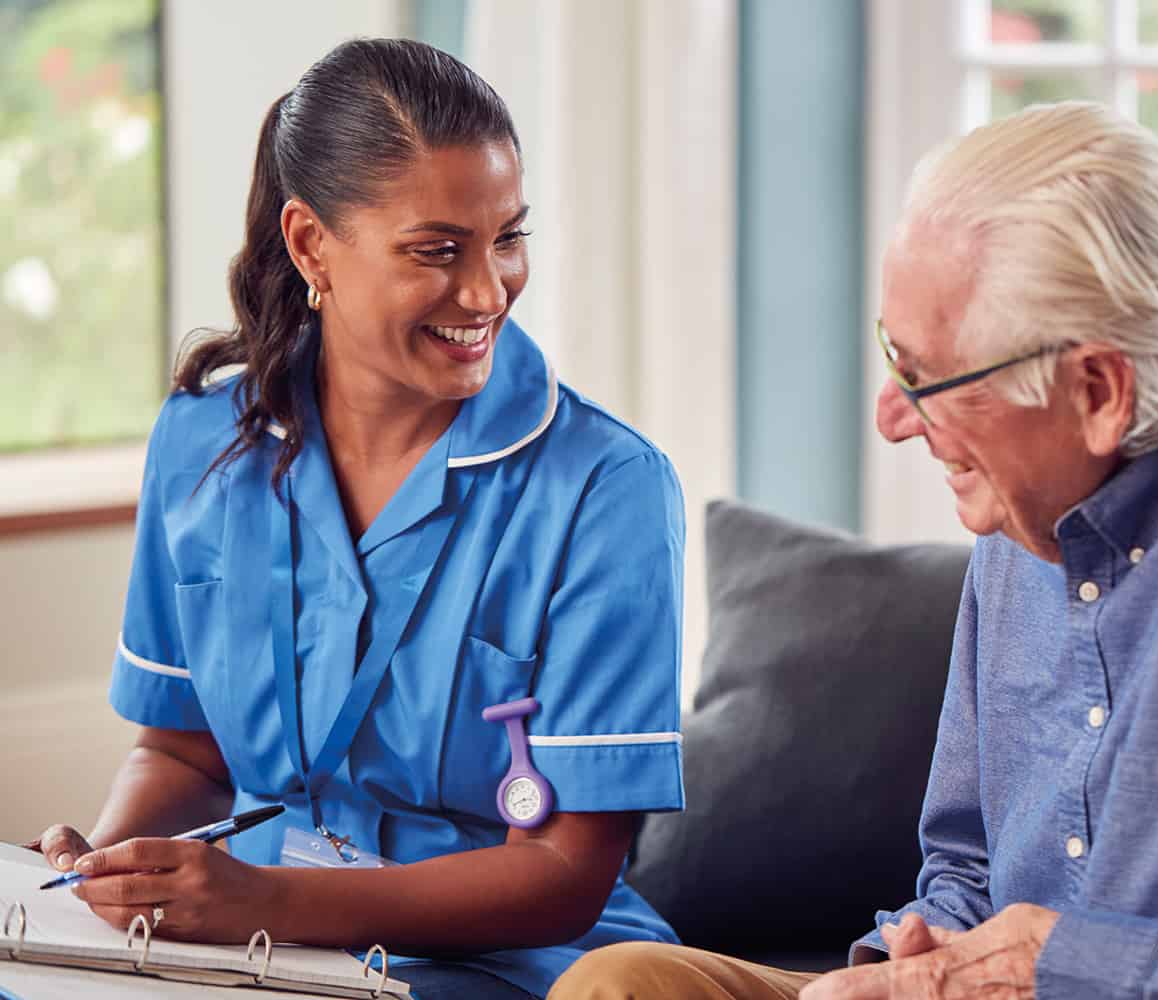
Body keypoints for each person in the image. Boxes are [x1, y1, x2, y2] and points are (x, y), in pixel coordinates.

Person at [548, 101, 1158, 999]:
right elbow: (964, 865)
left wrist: (1067, 968)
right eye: (893, 355)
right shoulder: (1022, 521)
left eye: (927, 377)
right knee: (624, 982)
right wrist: (909, 962)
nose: (891, 418)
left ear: (1097, 392)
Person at [24, 38, 687, 1000]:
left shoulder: (608, 488)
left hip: (497, 968)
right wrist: (122, 868)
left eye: (507, 238)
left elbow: (562, 875)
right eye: (437, 250)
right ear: (310, 246)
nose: (486, 290)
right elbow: (182, 748)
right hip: (242, 956)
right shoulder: (203, 444)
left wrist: (266, 902)